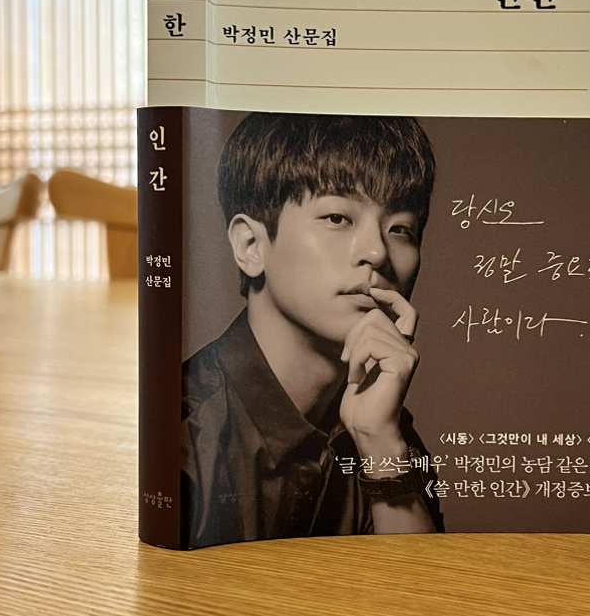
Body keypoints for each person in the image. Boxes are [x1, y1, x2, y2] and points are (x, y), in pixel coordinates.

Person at [181, 112, 444, 546]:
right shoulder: (186, 435)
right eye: (338, 218)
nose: (378, 252)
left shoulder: (384, 424)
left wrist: (379, 442)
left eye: (401, 229)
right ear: (250, 245)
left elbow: (421, 589)